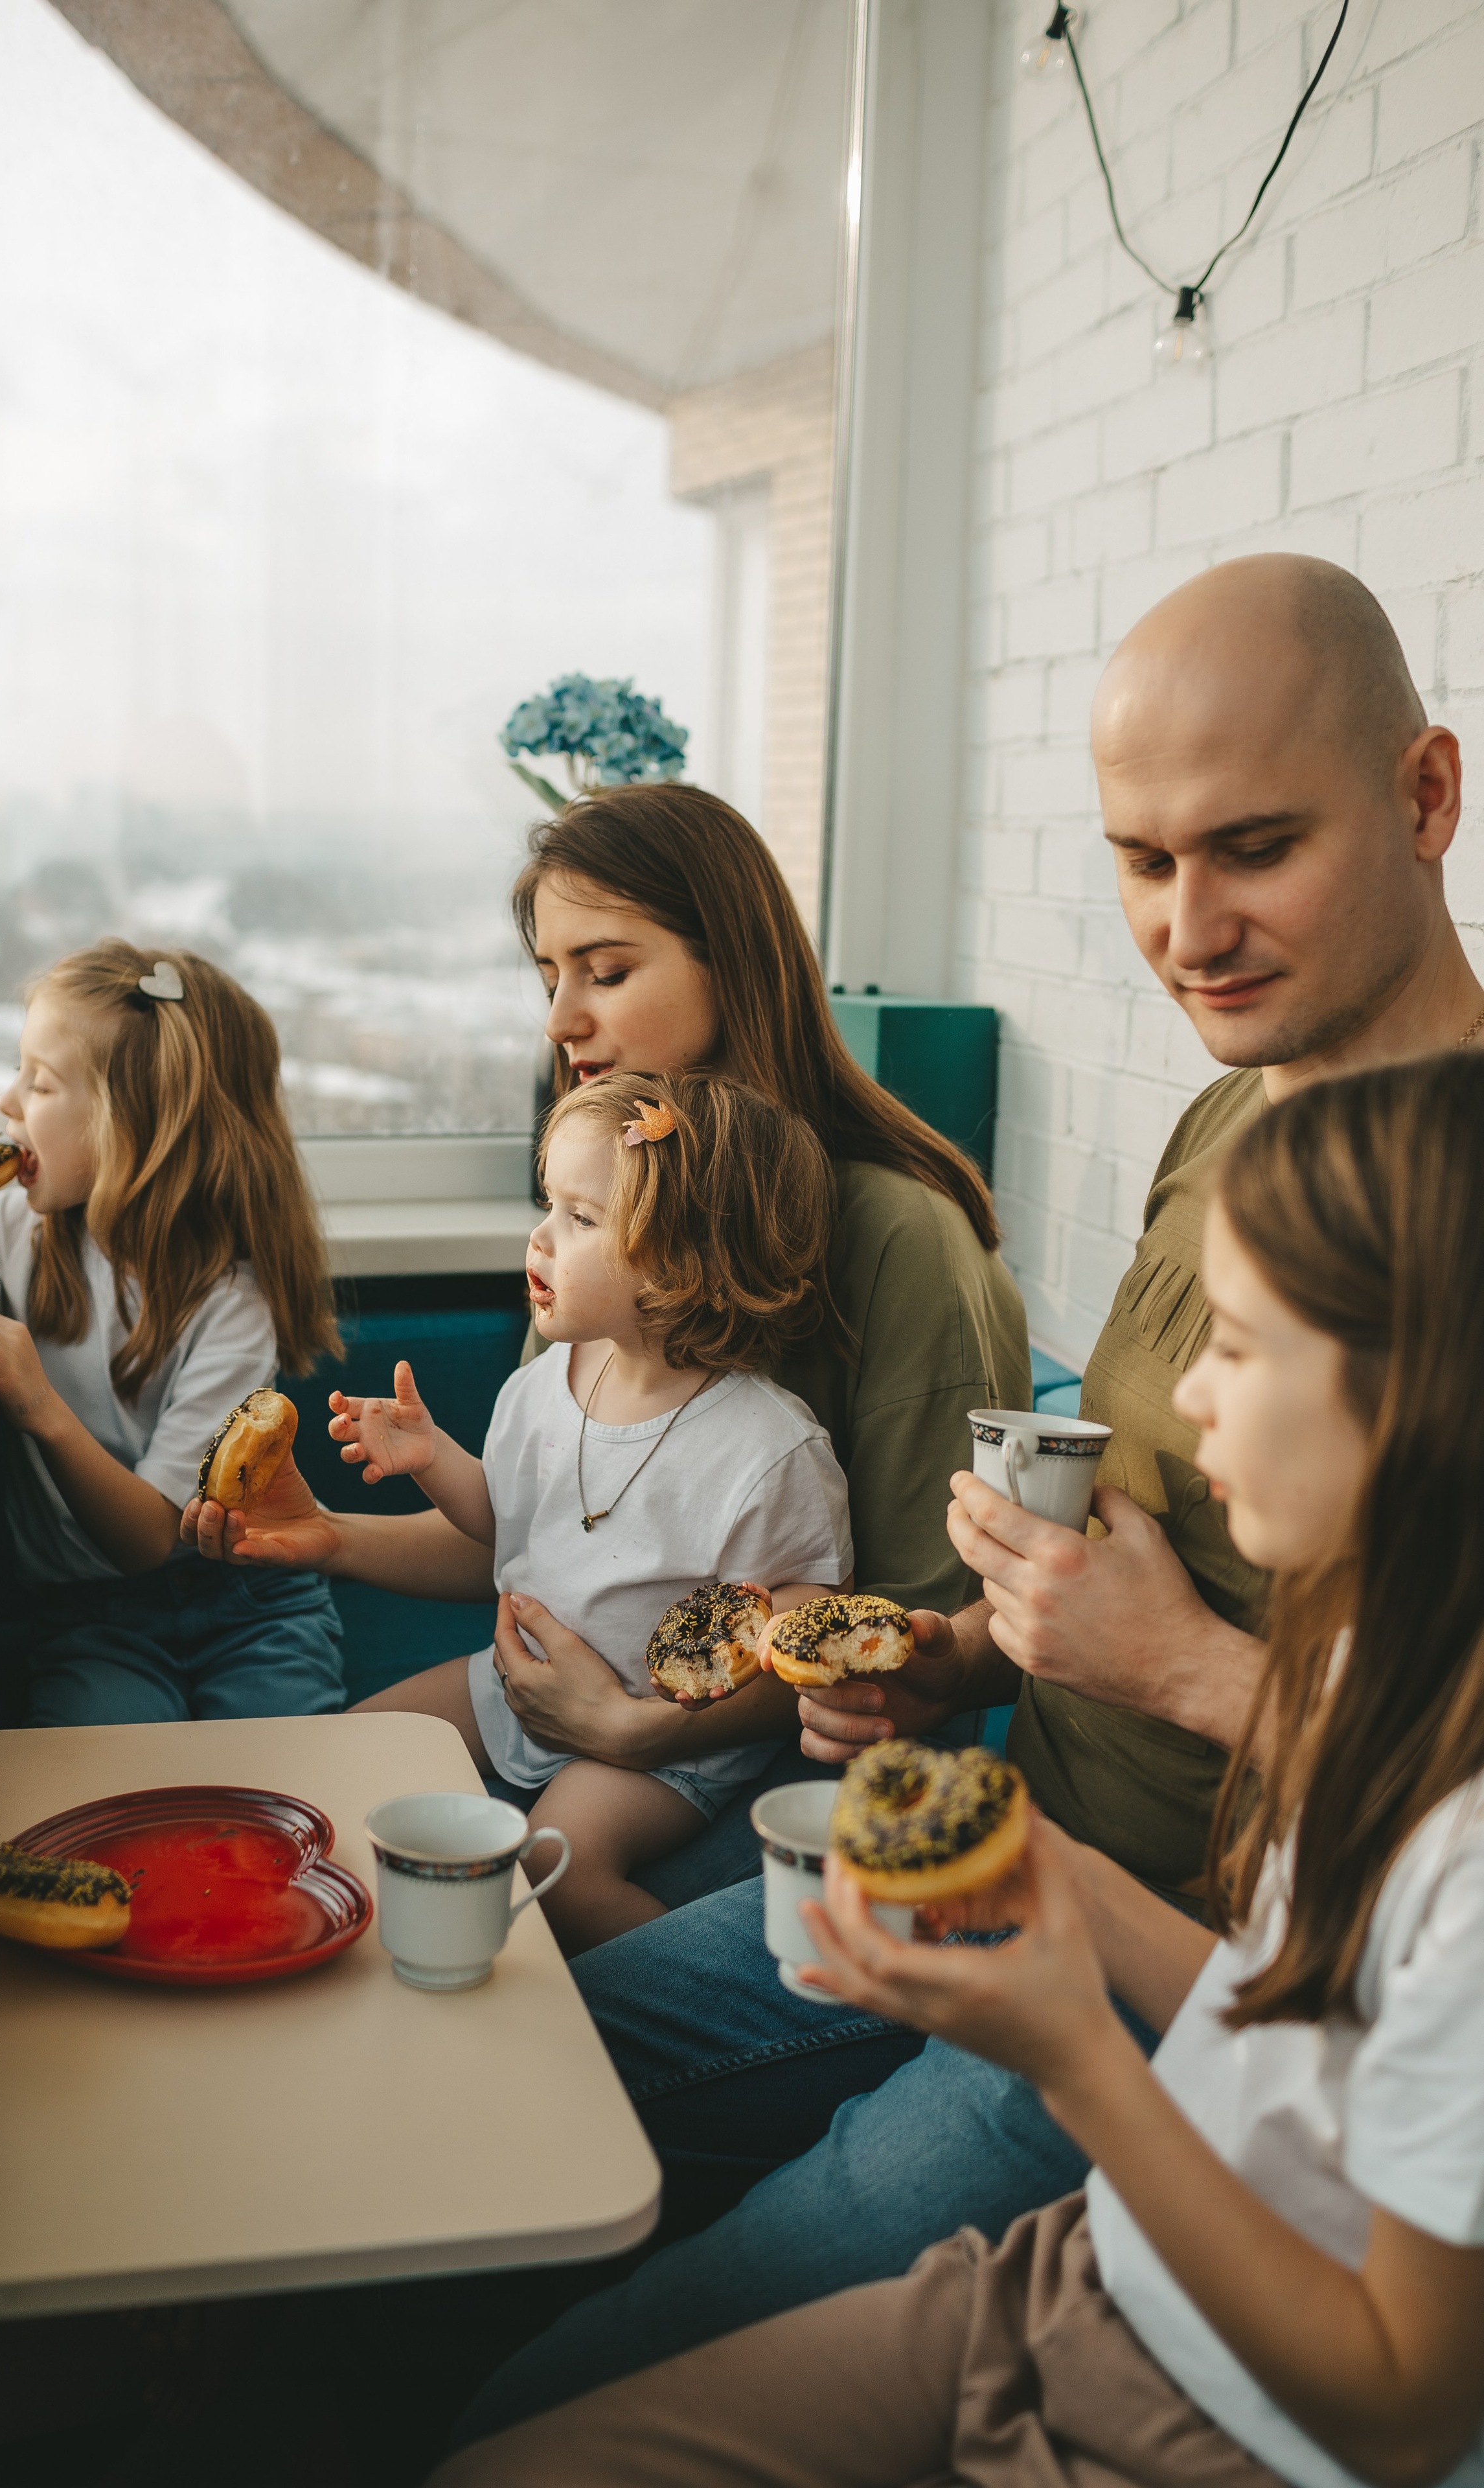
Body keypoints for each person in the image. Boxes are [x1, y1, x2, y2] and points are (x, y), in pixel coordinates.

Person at [452, 551, 1484, 2435]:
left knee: (575, 2383)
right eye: (1139, 859)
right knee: (512, 2069)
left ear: (1425, 797)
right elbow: (1124, 1550)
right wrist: (951, 1661)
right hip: (1003, 1830)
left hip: (1198, 1973)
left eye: (1251, 847)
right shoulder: (1229, 1110)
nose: (1186, 929)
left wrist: (1175, 1671)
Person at [185, 782, 1030, 1809]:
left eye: (608, 971)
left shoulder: (907, 1239)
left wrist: (636, 1732)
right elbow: (554, 1535)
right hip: (558, 1725)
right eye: (548, 975)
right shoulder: (599, 1224)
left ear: (740, 967)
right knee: (306, 1801)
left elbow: (919, 1640)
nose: (559, 1018)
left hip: (781, 1784)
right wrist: (331, 1535)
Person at [325, 1072, 852, 1953]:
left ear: (685, 1261)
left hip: (655, 1735)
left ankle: (699, 1998)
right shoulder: (541, 1385)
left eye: (581, 1218)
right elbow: (507, 1522)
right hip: (513, 1684)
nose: (540, 1237)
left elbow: (806, 1613)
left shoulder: (768, 1449)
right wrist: (433, 1461)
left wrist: (677, 1708)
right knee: (348, 1752)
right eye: (547, 1205)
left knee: (553, 1866)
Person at [0, 940, 345, 1725]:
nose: (5, 1103)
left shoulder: (233, 1305)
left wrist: (41, 1405)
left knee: (274, 1791)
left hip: (248, 1602)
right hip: (89, 1617)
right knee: (111, 1791)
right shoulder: (19, 1226)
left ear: (133, 1122)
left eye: (39, 1082)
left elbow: (147, 1538)